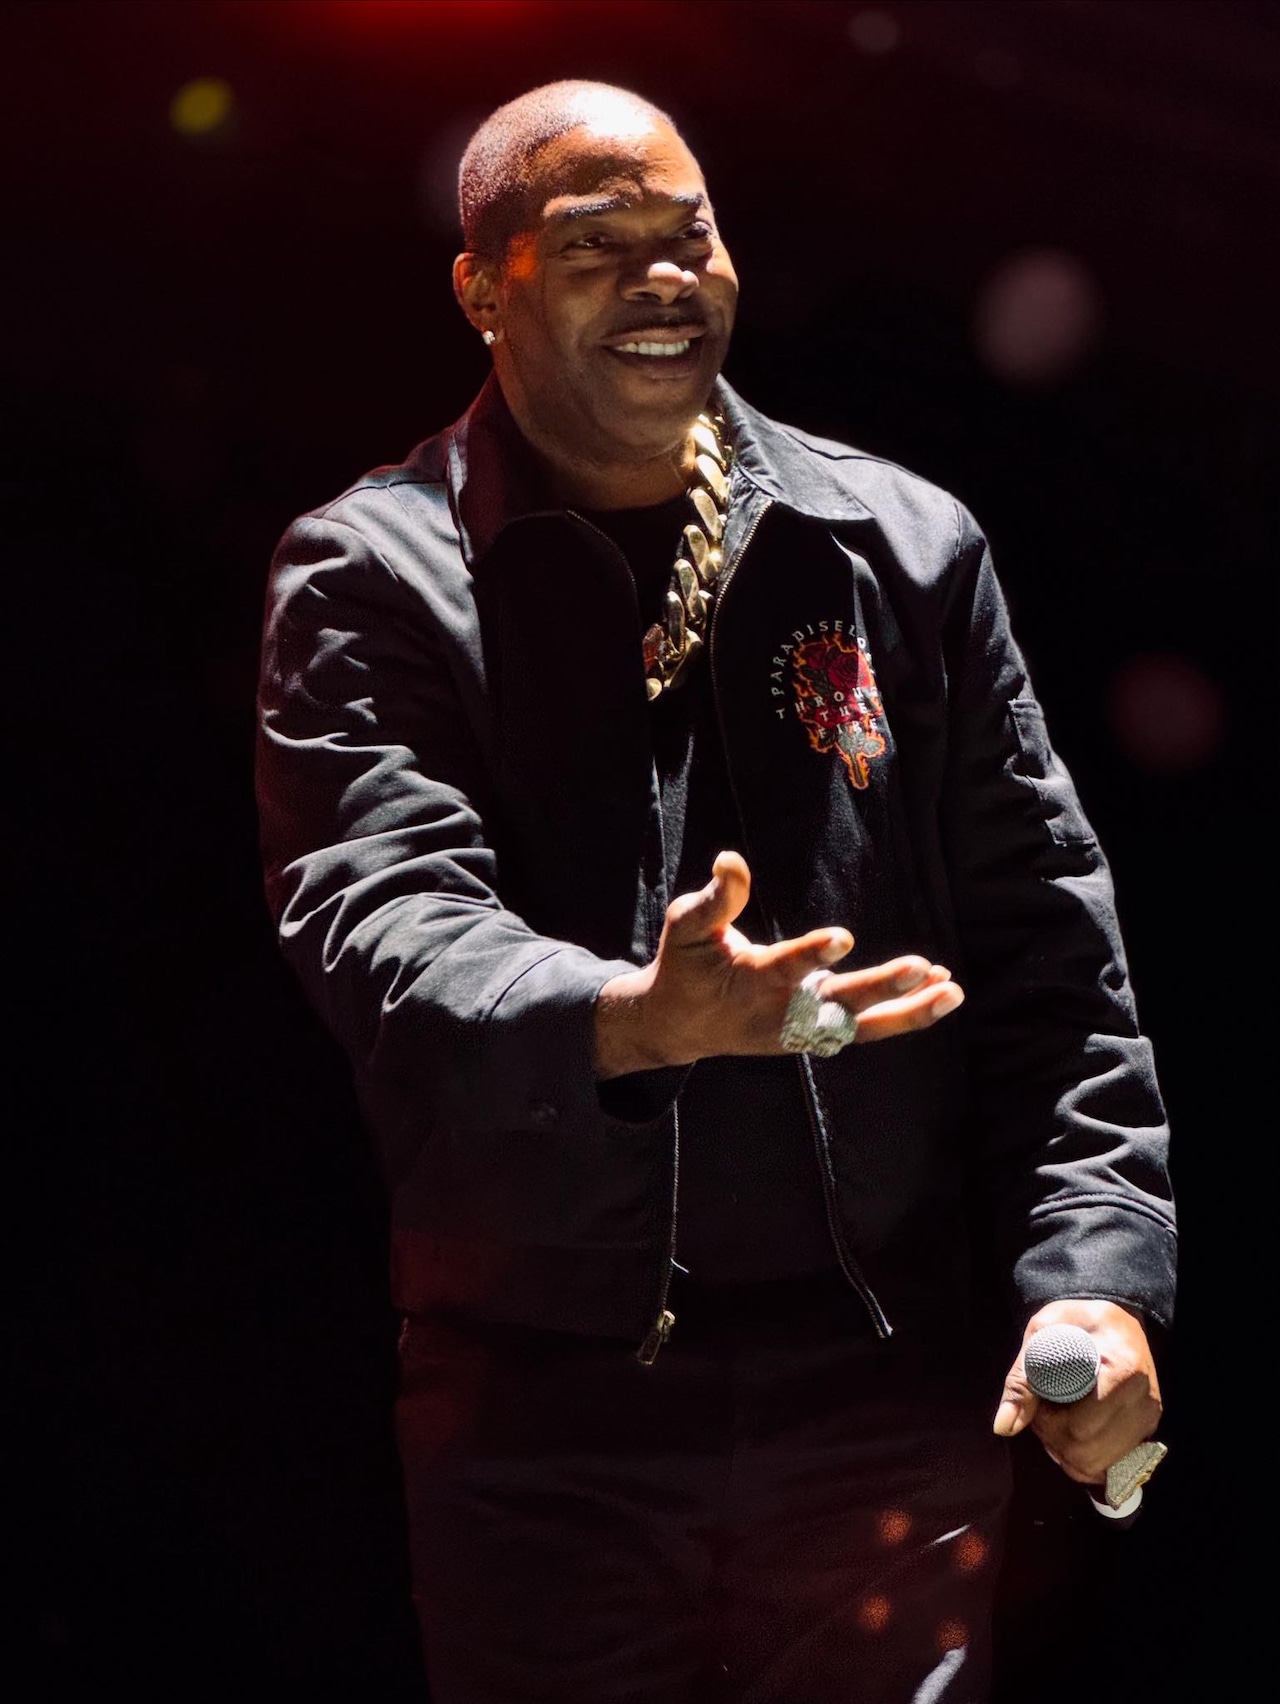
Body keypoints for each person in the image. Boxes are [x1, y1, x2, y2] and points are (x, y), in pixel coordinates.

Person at [254, 79, 1175, 1704]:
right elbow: (381, 923)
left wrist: (1096, 1282)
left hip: (883, 1396)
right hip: (545, 1423)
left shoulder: (900, 546)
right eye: (595, 244)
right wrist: (632, 1018)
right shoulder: (372, 575)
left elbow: (1055, 958)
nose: (665, 276)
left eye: (690, 233)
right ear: (482, 289)